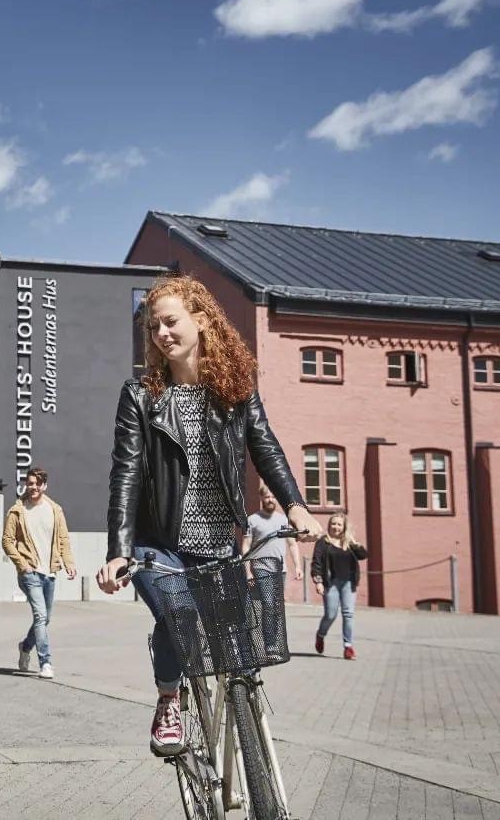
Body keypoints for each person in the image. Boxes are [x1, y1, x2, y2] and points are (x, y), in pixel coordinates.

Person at [96, 273, 321, 757]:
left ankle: (250, 752)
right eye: (153, 327)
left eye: (170, 321)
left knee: (241, 653)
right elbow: (126, 474)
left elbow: (266, 448)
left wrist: (296, 507)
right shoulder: (140, 396)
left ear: (200, 319)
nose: (162, 334)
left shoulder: (235, 389)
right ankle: (169, 699)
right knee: (178, 614)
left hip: (219, 545)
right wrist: (118, 552)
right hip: (158, 545)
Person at [1, 467, 76, 680]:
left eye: (37, 483)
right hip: (30, 572)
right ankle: (46, 662)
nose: (33, 487)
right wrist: (22, 564)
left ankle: (25, 647)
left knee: (45, 618)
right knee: (41, 616)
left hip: (49, 572)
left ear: (44, 486)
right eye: (30, 483)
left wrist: (68, 562)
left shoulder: (55, 510)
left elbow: (63, 539)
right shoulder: (17, 511)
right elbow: (7, 541)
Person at [240, 486, 304, 661]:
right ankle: (270, 646)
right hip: (261, 567)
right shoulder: (252, 520)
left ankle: (272, 643)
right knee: (268, 604)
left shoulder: (283, 520)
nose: (270, 500)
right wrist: (248, 571)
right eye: (267, 497)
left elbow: (292, 544)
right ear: (261, 498)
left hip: (280, 570)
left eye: (273, 497)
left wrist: (298, 566)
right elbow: (246, 546)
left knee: (275, 607)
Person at [311, 512, 368, 660]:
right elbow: (316, 562)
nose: (336, 527)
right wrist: (318, 581)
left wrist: (353, 541)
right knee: (330, 615)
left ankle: (348, 647)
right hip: (331, 583)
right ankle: (320, 635)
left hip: (349, 583)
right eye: (333, 524)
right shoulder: (323, 542)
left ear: (344, 527)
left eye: (339, 524)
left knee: (348, 614)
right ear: (329, 525)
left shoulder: (348, 543)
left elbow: (363, 555)